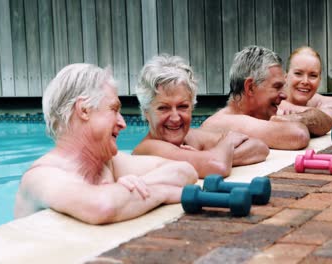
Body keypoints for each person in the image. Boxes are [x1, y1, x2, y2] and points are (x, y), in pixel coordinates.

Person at [14, 63, 198, 224]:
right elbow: (102, 206)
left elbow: (185, 170)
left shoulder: (107, 163)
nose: (122, 123)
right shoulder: (42, 176)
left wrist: (133, 189)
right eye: (114, 110)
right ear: (84, 110)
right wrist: (163, 193)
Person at [133, 54, 269, 178]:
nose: (175, 118)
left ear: (192, 106)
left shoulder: (190, 137)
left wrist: (212, 155)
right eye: (163, 108)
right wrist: (227, 143)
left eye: (182, 106)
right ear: (146, 112)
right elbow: (218, 166)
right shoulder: (149, 148)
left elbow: (260, 147)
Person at [201, 45, 332, 150]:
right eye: (277, 87)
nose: (284, 95)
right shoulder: (221, 122)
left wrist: (294, 118)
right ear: (250, 88)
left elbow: (326, 122)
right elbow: (298, 135)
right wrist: (292, 121)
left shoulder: (263, 114)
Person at [279, 46, 332, 124]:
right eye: (298, 73)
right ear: (285, 77)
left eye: (313, 75)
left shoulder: (313, 100)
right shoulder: (277, 101)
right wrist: (331, 114)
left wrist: (331, 106)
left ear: (320, 80)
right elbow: (316, 118)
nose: (305, 81)